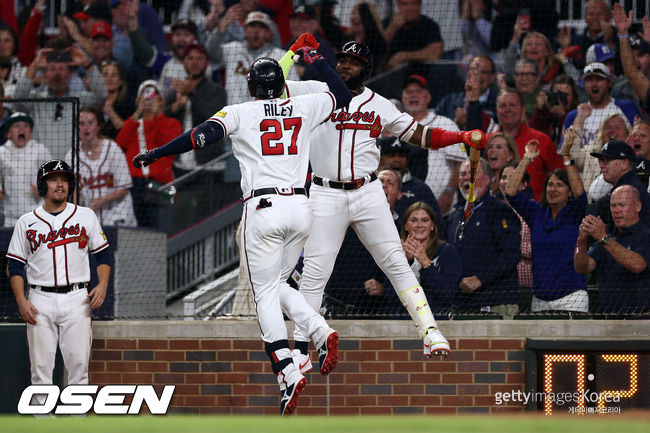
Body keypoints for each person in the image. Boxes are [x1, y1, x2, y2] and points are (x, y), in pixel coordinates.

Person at [133, 51, 349, 415]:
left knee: (264, 292)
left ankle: (285, 368)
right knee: (279, 285)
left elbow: (199, 137)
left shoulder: (239, 112)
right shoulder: (304, 105)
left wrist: (157, 154)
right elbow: (343, 96)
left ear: (251, 88)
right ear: (282, 86)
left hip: (262, 208)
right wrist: (320, 61)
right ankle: (317, 328)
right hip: (301, 207)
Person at [281, 40, 486, 361]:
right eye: (343, 60)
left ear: (366, 69)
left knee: (395, 262)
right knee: (314, 273)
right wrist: (292, 54)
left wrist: (459, 136)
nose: (345, 65)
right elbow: (272, 84)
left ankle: (430, 331)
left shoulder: (378, 104)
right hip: (324, 193)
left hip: (368, 192)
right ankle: (301, 352)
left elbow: (422, 135)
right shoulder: (314, 90)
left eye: (354, 62)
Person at [7, 159, 113, 408]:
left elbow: (104, 255)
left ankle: (76, 424)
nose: (60, 184)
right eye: (53, 179)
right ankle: (42, 424)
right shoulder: (26, 222)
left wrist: (103, 284)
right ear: (42, 186)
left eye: (64, 180)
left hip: (78, 297)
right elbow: (14, 266)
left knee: (79, 369)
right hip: (39, 299)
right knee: (41, 370)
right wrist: (22, 301)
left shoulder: (86, 215)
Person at [505, 136, 588, 313]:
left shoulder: (575, 213)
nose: (553, 189)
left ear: (568, 192)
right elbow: (511, 191)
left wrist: (566, 156)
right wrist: (527, 157)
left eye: (559, 185)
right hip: (540, 299)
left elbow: (580, 192)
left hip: (572, 297)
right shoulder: (536, 213)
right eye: (550, 185)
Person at [447, 158, 521, 318]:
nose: (466, 177)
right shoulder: (454, 216)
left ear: (488, 179)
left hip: (496, 303)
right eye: (462, 174)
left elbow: (511, 255)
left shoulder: (500, 211)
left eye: (472, 173)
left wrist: (480, 279)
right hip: (461, 304)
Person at [13, 44, 107, 159]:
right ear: (45, 75)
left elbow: (102, 95)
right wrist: (34, 66)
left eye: (61, 69)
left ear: (70, 75)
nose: (57, 73)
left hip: (74, 167)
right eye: (52, 69)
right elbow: (17, 100)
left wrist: (87, 64)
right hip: (41, 168)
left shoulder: (81, 100)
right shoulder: (35, 99)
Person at [575, 185, 650, 313]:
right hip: (610, 318)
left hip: (641, 319)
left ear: (638, 206)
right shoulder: (608, 238)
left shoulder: (646, 236)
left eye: (622, 205)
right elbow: (583, 267)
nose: (616, 210)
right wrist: (581, 241)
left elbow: (638, 265)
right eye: (613, 206)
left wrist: (603, 237)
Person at [115, 80, 180, 228]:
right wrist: (137, 114)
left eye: (154, 96)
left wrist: (157, 116)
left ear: (161, 100)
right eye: (145, 97)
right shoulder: (131, 124)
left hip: (162, 183)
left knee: (161, 227)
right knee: (135, 229)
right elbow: (120, 145)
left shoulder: (171, 123)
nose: (150, 100)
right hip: (136, 185)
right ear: (138, 100)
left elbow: (169, 146)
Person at [400, 73, 465, 214]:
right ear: (402, 97)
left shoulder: (445, 124)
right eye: (409, 92)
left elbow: (462, 162)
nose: (413, 95)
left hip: (439, 206)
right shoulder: (394, 127)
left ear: (428, 97)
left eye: (418, 92)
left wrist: (450, 190)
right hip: (401, 207)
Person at [383, 201, 461, 315]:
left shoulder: (447, 251)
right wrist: (405, 262)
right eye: (414, 220)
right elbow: (390, 296)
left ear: (432, 226)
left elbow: (447, 294)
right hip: (401, 320)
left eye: (425, 220)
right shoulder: (396, 253)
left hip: (436, 319)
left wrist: (425, 262)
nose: (419, 225)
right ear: (405, 226)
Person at [65, 107, 136, 227]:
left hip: (118, 215)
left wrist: (102, 200)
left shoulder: (112, 149)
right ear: (77, 128)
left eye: (91, 123)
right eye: (82, 124)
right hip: (92, 220)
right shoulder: (72, 155)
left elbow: (124, 187)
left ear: (98, 126)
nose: (86, 128)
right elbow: (73, 190)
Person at [493, 87, 564, 202]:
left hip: (533, 213)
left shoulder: (541, 141)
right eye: (502, 106)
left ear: (523, 110)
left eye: (512, 105)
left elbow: (561, 177)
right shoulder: (488, 142)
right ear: (497, 111)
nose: (507, 109)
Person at [219, 11, 297, 105]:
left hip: (266, 115)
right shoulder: (232, 49)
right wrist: (221, 28)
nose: (256, 31)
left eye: (261, 27)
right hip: (235, 113)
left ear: (268, 33)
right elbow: (212, 56)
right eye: (252, 26)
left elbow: (294, 89)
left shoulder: (281, 55)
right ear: (245, 30)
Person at [562, 62, 638, 153]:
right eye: (589, 80)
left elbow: (638, 142)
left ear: (609, 82)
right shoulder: (574, 116)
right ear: (584, 84)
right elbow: (564, 151)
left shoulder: (626, 108)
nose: (594, 84)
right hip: (584, 165)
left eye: (599, 79)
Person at [0, 112, 52, 227]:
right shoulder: (1, 153)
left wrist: (45, 190)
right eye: (16, 126)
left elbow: (53, 179)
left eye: (25, 126)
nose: (21, 129)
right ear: (8, 133)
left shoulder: (40, 150)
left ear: (31, 133)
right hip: (11, 219)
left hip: (38, 216)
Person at [378, 137, 442, 228]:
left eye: (401, 155)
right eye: (392, 155)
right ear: (381, 159)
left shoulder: (420, 188)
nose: (397, 160)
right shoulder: (370, 185)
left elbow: (438, 224)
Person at [589, 139, 650, 229]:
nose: (601, 165)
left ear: (624, 164)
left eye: (607, 160)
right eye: (600, 161)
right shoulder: (629, 185)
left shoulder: (630, 191)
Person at [383, 0, 443, 69]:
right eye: (404, 4)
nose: (409, 9)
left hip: (420, 74)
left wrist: (404, 56)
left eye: (414, 3)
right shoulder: (387, 23)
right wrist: (392, 28)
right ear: (398, 6)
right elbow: (376, 50)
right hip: (390, 74)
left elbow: (435, 54)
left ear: (420, 5)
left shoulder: (429, 25)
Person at [100, 60, 135, 140]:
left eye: (114, 75)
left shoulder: (129, 104)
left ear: (120, 81)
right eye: (105, 75)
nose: (109, 79)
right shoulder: (94, 103)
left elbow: (129, 133)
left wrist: (110, 112)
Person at [485, 132, 519, 196]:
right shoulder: (482, 181)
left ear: (510, 155)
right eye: (490, 147)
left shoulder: (517, 182)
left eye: (499, 147)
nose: (492, 150)